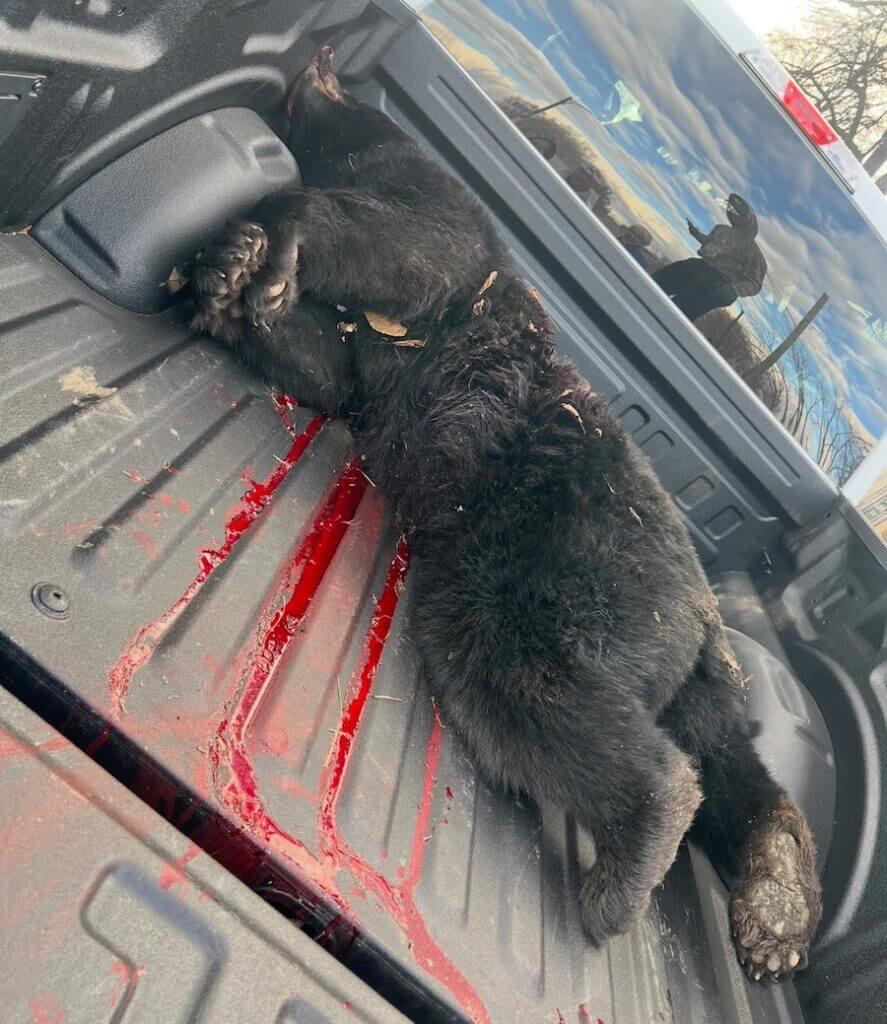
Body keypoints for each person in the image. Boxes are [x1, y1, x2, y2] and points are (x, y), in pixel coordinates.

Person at [653, 193, 767, 321]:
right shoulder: (722, 230)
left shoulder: (754, 253)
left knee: (673, 314)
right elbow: (711, 245)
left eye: (737, 212)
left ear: (747, 219)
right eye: (731, 210)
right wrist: (696, 234)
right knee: (654, 284)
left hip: (714, 285)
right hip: (695, 266)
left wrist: (734, 290)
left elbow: (754, 282)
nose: (732, 214)